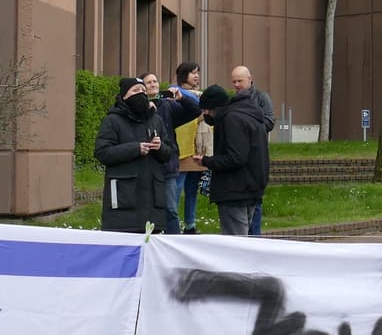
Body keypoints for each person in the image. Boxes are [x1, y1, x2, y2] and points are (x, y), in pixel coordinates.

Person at [92, 75, 179, 234]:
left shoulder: (156, 120)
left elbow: (169, 153)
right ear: (124, 96)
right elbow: (102, 152)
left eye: (143, 91)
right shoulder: (112, 121)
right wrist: (135, 149)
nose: (140, 94)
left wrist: (160, 147)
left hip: (153, 204)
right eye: (135, 90)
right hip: (123, 203)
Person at [197, 83, 269, 236]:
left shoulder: (231, 119)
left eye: (205, 110)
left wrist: (206, 161)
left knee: (235, 242)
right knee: (244, 239)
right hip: (251, 186)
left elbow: (236, 157)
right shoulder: (249, 114)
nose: (204, 115)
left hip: (234, 189)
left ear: (213, 108)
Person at [229, 65, 276, 235]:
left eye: (239, 81)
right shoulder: (232, 101)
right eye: (233, 81)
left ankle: (255, 236)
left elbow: (270, 121)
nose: (236, 85)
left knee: (255, 201)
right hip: (239, 156)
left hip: (256, 156)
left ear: (250, 79)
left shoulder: (262, 98)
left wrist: (249, 130)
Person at [164, 62, 204, 233]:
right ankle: (174, 226)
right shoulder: (174, 93)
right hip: (182, 148)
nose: (196, 76)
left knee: (192, 189)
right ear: (183, 75)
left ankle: (190, 224)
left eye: (197, 73)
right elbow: (198, 112)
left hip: (196, 148)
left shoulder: (197, 95)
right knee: (176, 189)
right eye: (192, 73)